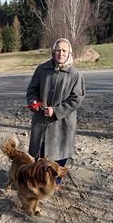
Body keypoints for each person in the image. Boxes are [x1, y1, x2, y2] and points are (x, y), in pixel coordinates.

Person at [26, 38, 85, 183]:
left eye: (64, 50)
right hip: (41, 120)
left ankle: (54, 185)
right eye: (58, 50)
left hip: (62, 123)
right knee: (40, 154)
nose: (61, 53)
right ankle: (39, 182)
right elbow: (32, 90)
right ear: (53, 52)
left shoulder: (75, 74)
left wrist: (57, 110)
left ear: (70, 53)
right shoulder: (41, 69)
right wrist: (33, 101)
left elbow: (77, 98)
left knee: (59, 156)